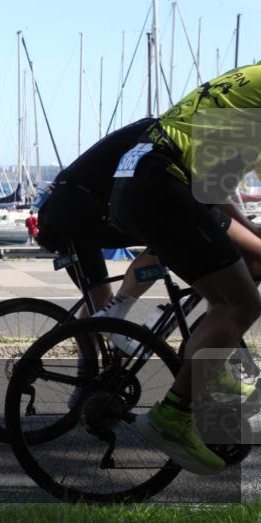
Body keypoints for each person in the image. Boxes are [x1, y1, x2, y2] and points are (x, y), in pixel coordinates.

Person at [111, 63, 261, 475]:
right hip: (161, 185)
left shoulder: (247, 84)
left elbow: (216, 181)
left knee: (237, 280)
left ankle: (211, 361)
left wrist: (250, 232)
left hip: (139, 180)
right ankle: (171, 418)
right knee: (242, 304)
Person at [35, 118, 161, 314]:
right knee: (168, 238)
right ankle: (118, 309)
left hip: (62, 207)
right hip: (77, 210)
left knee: (99, 300)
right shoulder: (158, 137)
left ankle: (91, 337)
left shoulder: (145, 130)